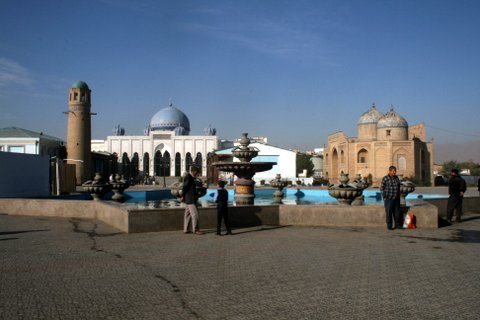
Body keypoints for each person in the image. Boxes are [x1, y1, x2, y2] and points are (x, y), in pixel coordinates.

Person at [182, 166, 204, 235]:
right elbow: (185, 187)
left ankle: (186, 229)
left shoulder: (190, 177)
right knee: (195, 214)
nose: (197, 174)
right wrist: (183, 195)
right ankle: (196, 229)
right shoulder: (189, 177)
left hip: (189, 198)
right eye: (197, 173)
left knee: (187, 214)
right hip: (190, 199)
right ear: (194, 171)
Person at [380, 166, 402, 230]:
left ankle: (397, 225)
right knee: (389, 213)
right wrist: (384, 197)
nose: (394, 172)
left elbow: (398, 187)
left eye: (395, 171)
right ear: (389, 171)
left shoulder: (396, 178)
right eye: (393, 171)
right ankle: (389, 226)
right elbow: (381, 188)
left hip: (396, 199)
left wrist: (398, 194)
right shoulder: (385, 178)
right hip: (389, 198)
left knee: (397, 212)